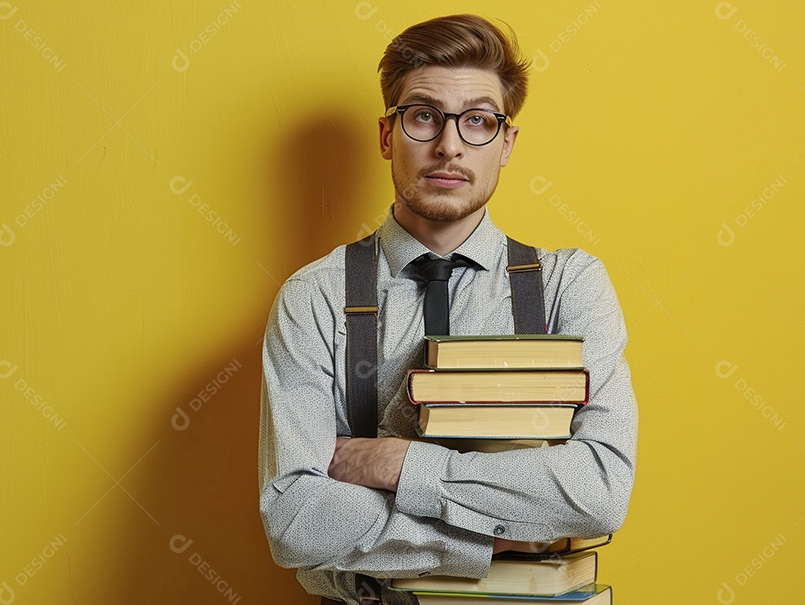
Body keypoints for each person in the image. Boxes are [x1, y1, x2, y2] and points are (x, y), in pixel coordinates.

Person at [258, 14, 638, 605]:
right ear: (387, 135)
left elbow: (598, 490)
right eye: (423, 115)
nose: (449, 145)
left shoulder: (571, 286)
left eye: (479, 121)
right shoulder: (314, 298)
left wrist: (399, 464)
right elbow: (296, 520)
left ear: (506, 143)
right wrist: (503, 535)